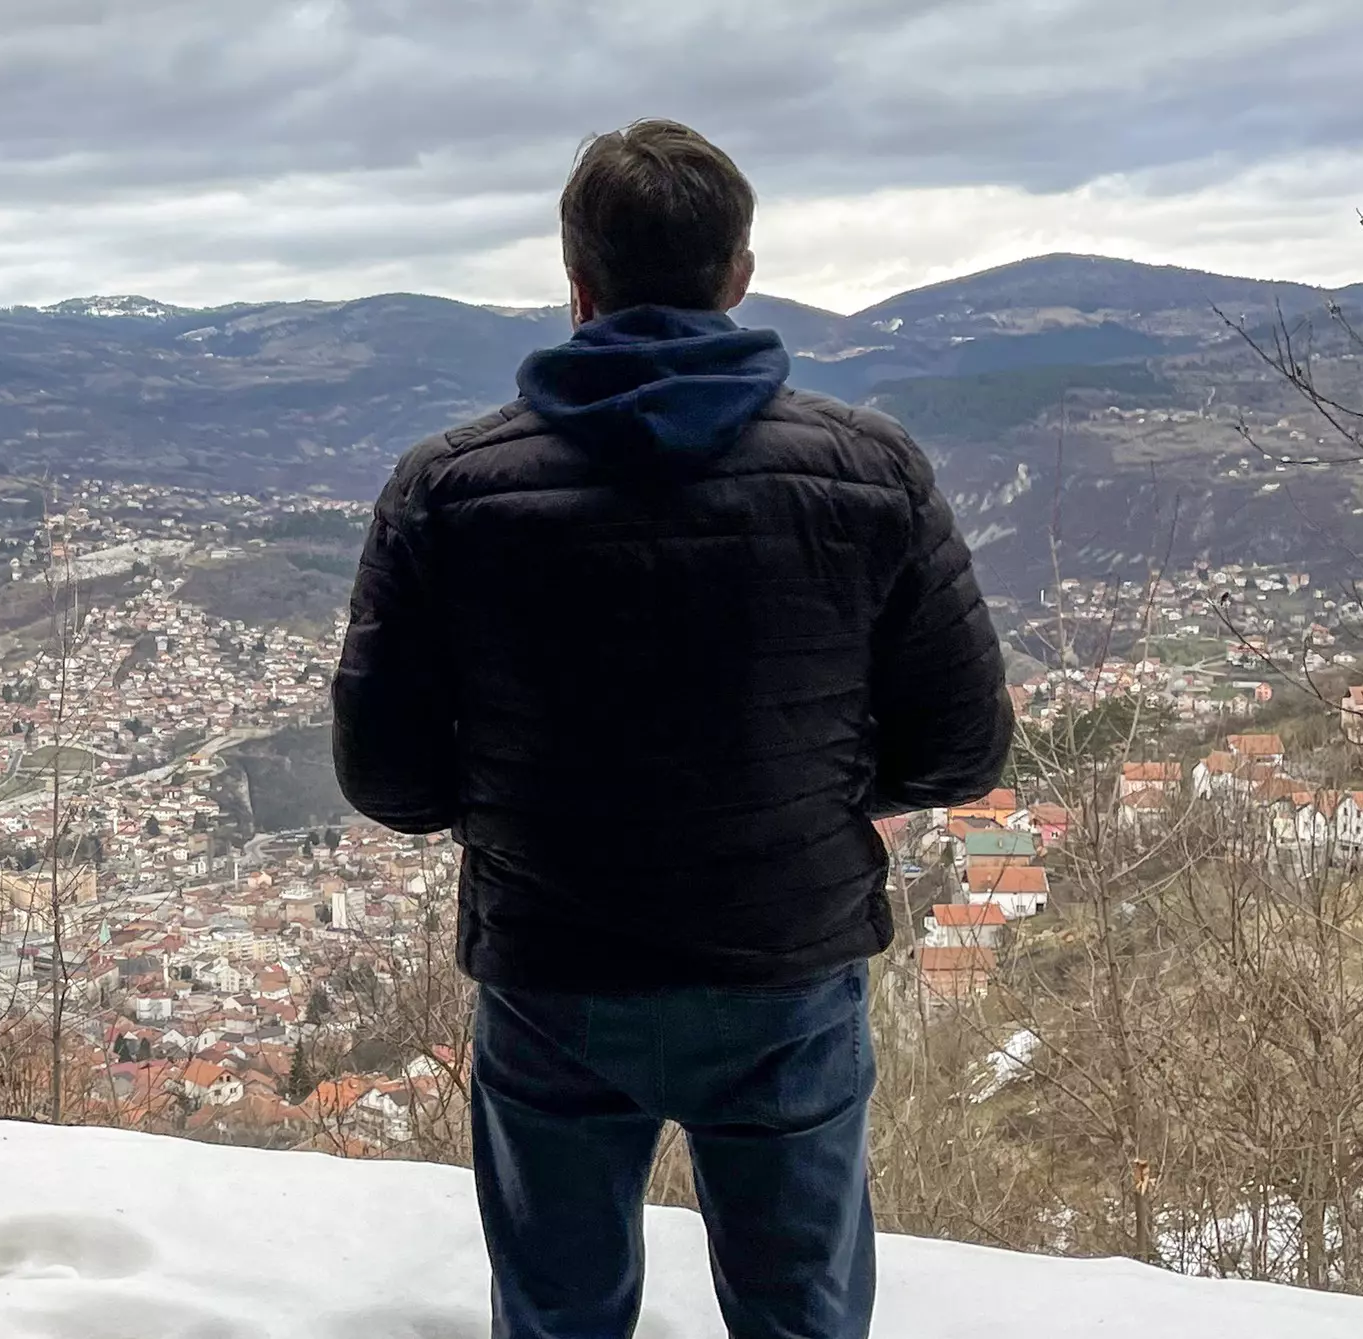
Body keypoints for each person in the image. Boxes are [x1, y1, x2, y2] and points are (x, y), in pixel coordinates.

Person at [330, 119, 1013, 1339]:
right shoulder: (871, 471)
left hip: (553, 964)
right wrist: (814, 797)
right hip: (784, 960)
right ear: (738, 273)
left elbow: (386, 771)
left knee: (557, 1313)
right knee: (800, 1314)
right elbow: (961, 745)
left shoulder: (449, 489)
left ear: (575, 285)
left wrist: (509, 810)